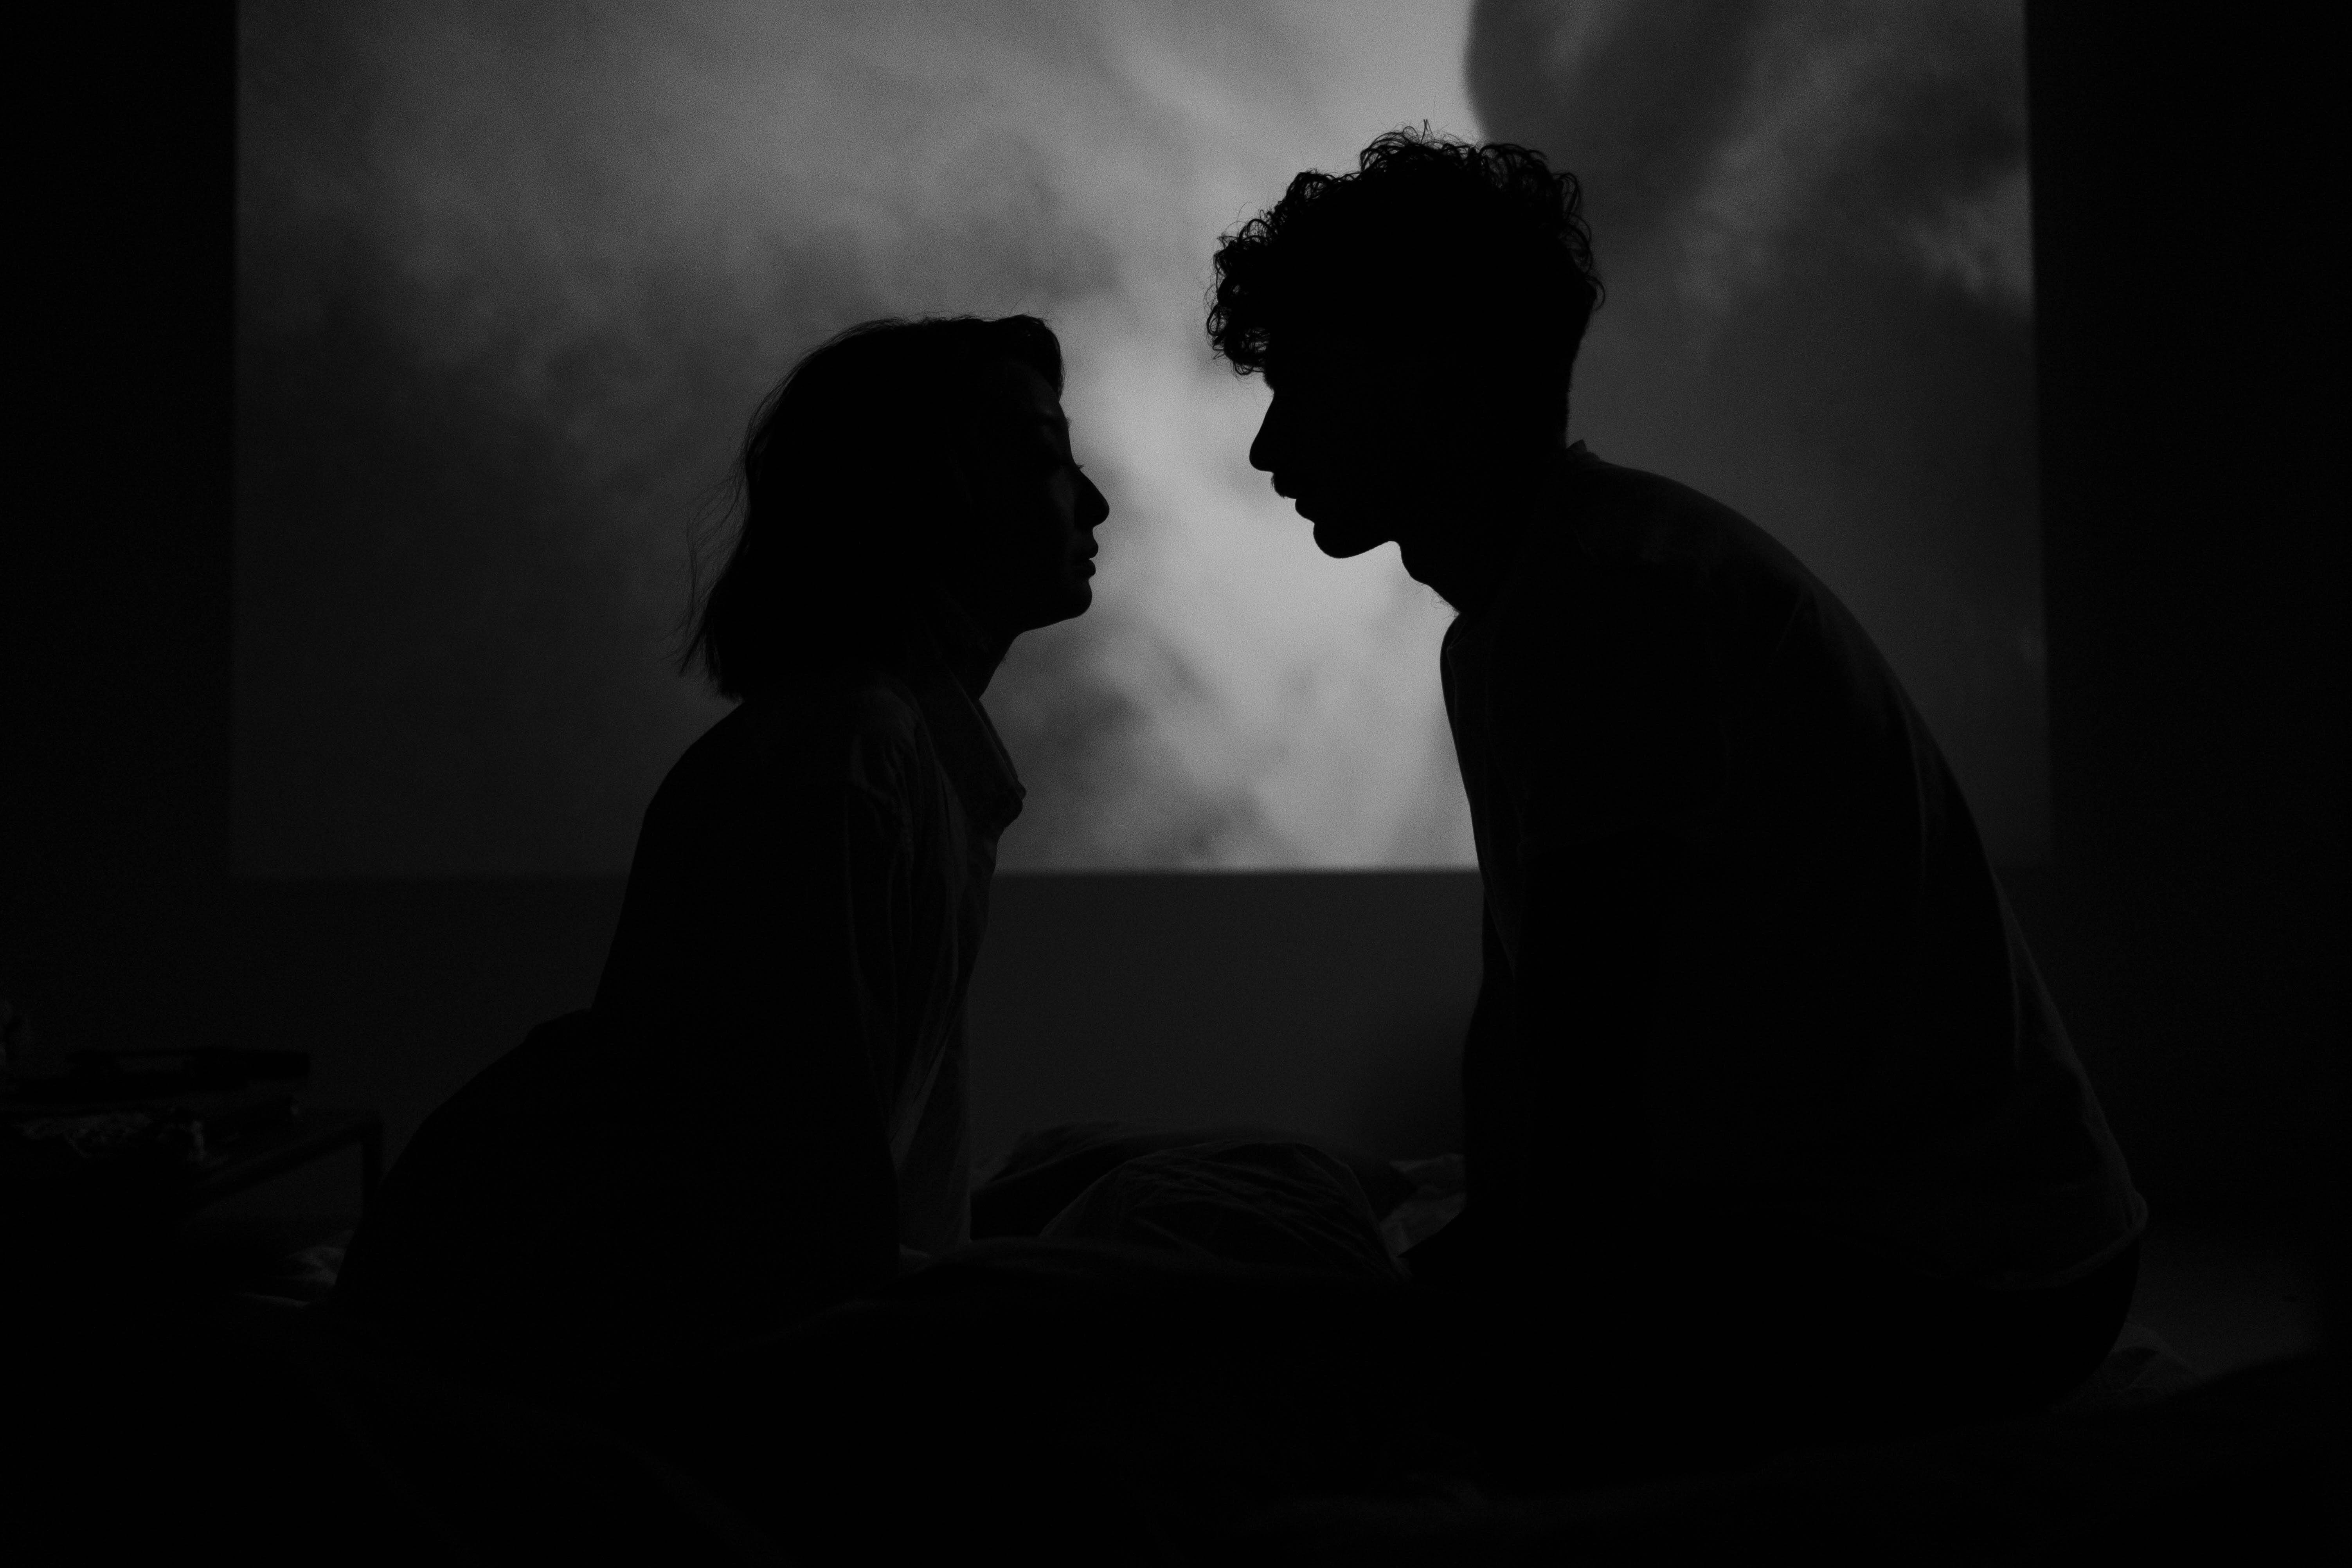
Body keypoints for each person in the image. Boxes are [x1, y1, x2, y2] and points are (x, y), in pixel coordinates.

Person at [1208, 129, 2146, 1478]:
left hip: (1972, 1288)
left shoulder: (1604, 607)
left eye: (1300, 386)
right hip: (1973, 1261)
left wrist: (1461, 1304)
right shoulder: (1548, 603)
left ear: (1429, 382)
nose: (1265, 445)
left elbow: (1584, 1068)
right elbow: (1537, 1024)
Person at [331, 313, 1111, 1393]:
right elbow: (795, 1214)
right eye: (1042, 456)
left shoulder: (906, 756)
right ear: (920, 494)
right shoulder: (850, 757)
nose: (1095, 501)